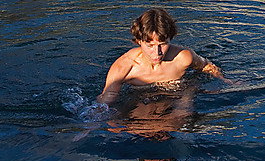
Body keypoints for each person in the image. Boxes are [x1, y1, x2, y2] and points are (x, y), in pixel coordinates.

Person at [97, 8, 227, 105]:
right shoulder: (124, 68)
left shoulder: (182, 58)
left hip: (180, 92)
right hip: (141, 96)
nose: (157, 52)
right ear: (139, 41)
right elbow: (106, 99)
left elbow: (206, 65)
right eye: (150, 46)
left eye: (163, 44)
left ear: (170, 39)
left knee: (180, 117)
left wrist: (226, 81)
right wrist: (90, 126)